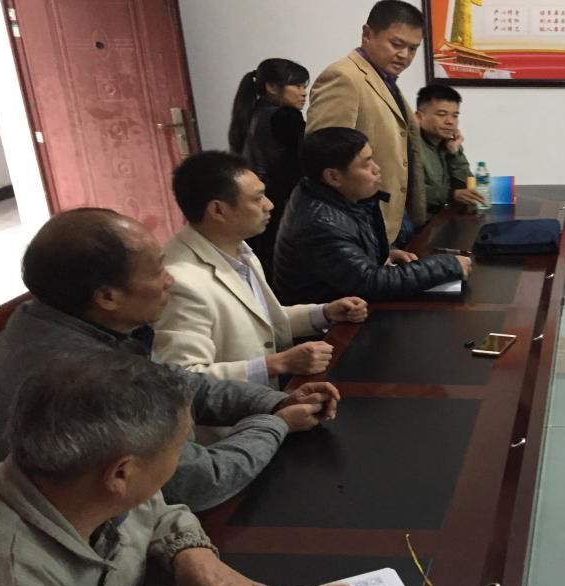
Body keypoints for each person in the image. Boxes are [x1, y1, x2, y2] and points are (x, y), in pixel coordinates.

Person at [0, 352, 359, 586]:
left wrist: (188, 553)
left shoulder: (75, 483)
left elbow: (155, 510)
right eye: (182, 445)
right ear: (122, 473)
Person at [0, 208, 341, 511]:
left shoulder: (46, 315)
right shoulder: (87, 379)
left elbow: (176, 382)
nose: (169, 280)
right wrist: (277, 423)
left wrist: (274, 401)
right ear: (108, 296)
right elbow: (201, 481)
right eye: (158, 269)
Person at [157, 151, 368, 388]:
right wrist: (276, 364)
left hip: (269, 398)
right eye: (257, 199)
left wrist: (324, 313)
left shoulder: (236, 247)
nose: (269, 205)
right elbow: (182, 378)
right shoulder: (180, 281)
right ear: (218, 210)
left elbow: (257, 320)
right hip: (237, 410)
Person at [274, 127, 470, 303]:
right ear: (333, 176)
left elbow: (349, 255)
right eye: (366, 164)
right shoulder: (320, 223)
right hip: (331, 324)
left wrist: (383, 252)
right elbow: (370, 282)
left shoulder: (338, 194)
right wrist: (447, 265)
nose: (377, 168)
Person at [306, 0, 427, 242]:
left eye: (413, 49)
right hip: (363, 222)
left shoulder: (385, 79)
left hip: (391, 216)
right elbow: (323, 158)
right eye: (396, 44)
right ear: (367, 34)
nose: (404, 55)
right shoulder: (344, 77)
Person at [228, 58, 310, 285]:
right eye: (297, 85)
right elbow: (302, 165)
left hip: (256, 203)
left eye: (304, 86)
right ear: (272, 87)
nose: (304, 92)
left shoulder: (252, 114)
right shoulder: (285, 117)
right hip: (281, 205)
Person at [415, 84, 484, 216]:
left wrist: (455, 153)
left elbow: (468, 186)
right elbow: (408, 191)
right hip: (418, 223)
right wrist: (451, 195)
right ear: (419, 117)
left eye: (455, 115)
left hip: (445, 216)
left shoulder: (449, 143)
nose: (450, 122)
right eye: (442, 114)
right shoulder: (408, 145)